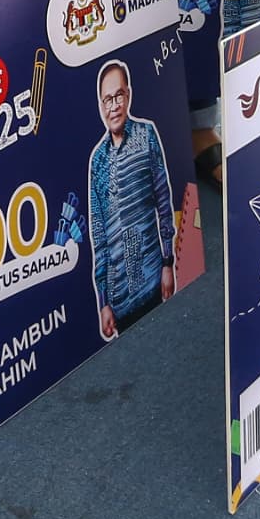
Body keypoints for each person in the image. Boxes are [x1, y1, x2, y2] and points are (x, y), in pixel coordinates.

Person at [86, 58, 175, 340]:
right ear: (100, 105)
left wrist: (168, 263)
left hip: (152, 279)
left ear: (129, 94)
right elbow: (99, 237)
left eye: (119, 96)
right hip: (119, 299)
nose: (114, 106)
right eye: (107, 99)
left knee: (167, 342)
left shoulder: (146, 135)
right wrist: (103, 302)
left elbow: (164, 205)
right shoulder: (97, 162)